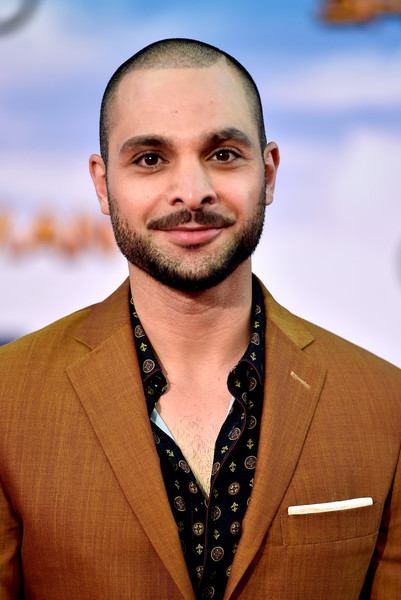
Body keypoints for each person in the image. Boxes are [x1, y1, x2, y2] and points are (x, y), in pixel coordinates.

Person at [0, 38, 400, 600]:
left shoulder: (385, 403)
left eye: (223, 154)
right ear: (102, 184)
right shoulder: (9, 396)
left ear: (269, 172)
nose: (192, 193)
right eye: (150, 159)